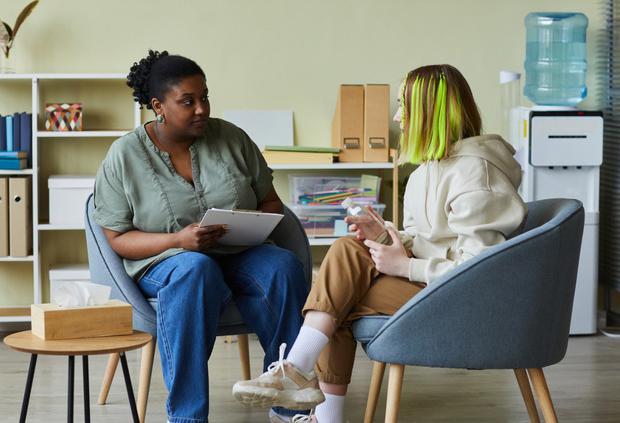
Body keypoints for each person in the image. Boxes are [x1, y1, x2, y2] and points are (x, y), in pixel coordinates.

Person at [233, 64, 528, 423]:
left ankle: (301, 378)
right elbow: (427, 240)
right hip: (434, 286)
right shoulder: (426, 171)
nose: (396, 116)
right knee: (345, 257)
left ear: (430, 112)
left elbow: (483, 270)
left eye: (404, 105)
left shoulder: (476, 174)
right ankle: (300, 375)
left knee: (338, 298)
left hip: (468, 300)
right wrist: (386, 238)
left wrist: (406, 266)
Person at [92, 50, 312, 423]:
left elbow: (272, 204)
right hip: (164, 260)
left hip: (238, 251)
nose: (201, 109)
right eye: (188, 101)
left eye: (205, 97)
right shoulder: (124, 155)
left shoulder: (232, 139)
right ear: (158, 106)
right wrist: (178, 241)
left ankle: (287, 405)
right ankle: (187, 417)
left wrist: (249, 223)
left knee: (282, 266)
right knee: (195, 270)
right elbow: (117, 237)